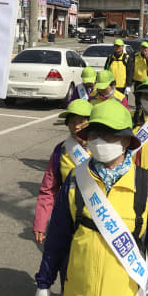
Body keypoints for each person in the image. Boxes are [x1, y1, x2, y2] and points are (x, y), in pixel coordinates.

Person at [34, 99, 148, 296]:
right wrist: (44, 281)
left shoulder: (147, 188)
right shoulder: (75, 180)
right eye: (94, 134)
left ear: (126, 140)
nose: (98, 141)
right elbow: (57, 238)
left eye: (108, 135)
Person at [33, 99, 92, 245]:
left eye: (81, 121)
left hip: (97, 220)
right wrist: (40, 222)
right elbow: (48, 189)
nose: (76, 126)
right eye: (72, 122)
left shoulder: (103, 149)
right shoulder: (61, 150)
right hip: (67, 220)